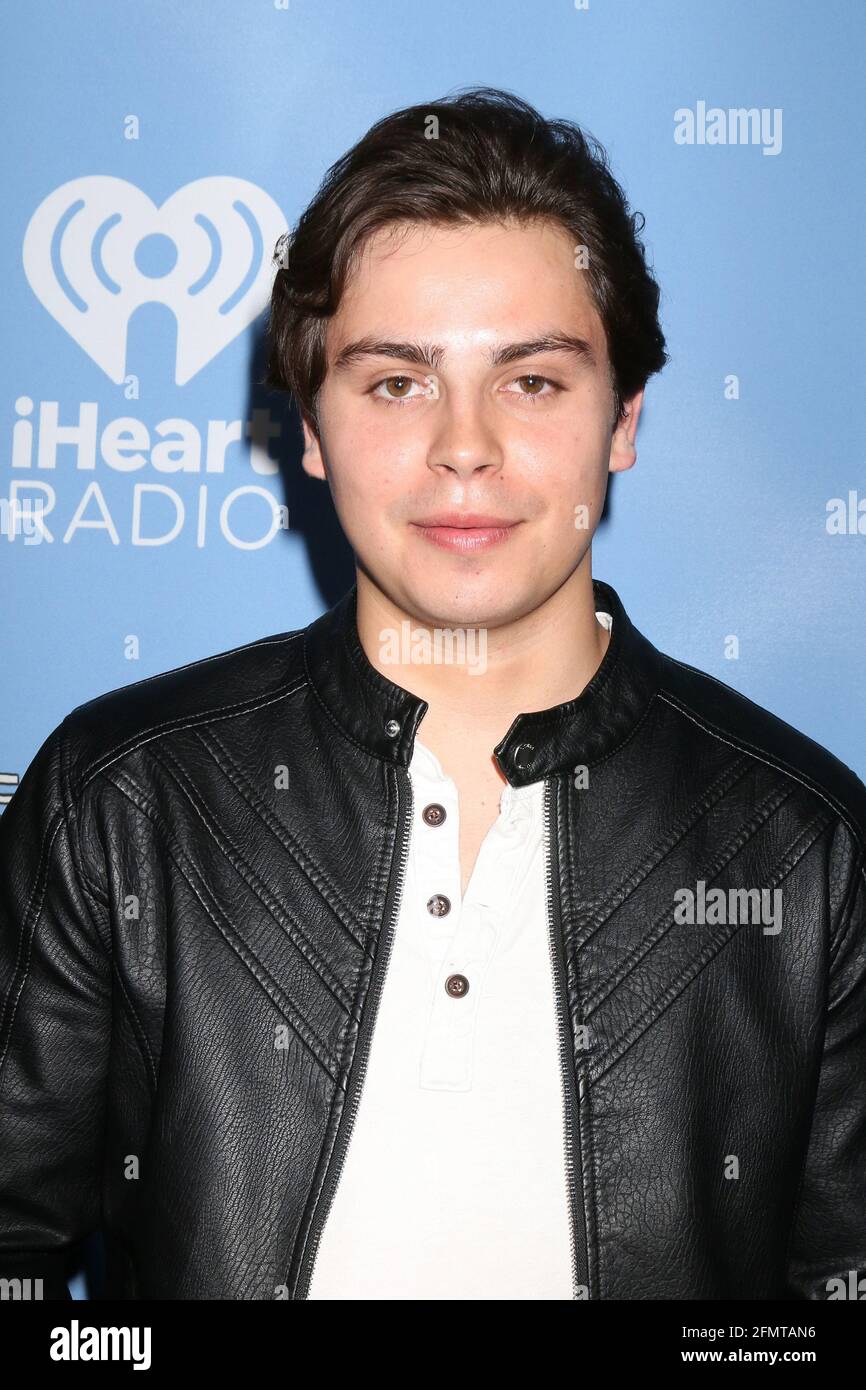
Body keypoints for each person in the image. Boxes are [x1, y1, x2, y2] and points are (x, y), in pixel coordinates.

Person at [1, 87, 864, 1301]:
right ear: (310, 429)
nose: (464, 445)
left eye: (531, 381)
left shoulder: (806, 845)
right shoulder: (123, 800)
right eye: (397, 382)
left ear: (622, 420)